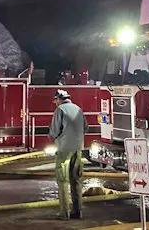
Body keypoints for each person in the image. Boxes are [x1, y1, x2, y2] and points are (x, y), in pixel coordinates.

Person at [49, 89, 86, 220]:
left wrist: (55, 138)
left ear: (59, 99)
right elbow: (85, 128)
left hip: (64, 150)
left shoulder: (60, 110)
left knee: (63, 181)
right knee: (76, 180)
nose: (55, 103)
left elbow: (54, 131)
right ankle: (78, 211)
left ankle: (64, 213)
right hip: (78, 149)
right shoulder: (78, 109)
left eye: (55, 101)